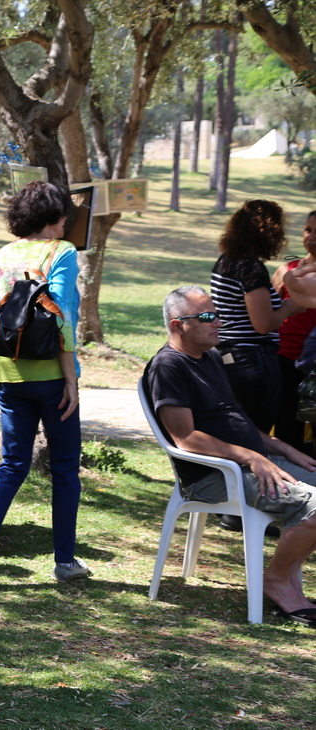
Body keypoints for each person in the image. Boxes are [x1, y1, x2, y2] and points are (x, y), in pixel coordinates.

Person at [144, 285, 316, 626]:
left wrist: (282, 447)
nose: (218, 322)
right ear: (178, 325)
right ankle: (276, 580)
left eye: (218, 314)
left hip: (250, 463)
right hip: (215, 476)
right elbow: (185, 438)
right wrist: (250, 458)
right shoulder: (168, 366)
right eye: (207, 317)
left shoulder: (209, 356)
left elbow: (235, 422)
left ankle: (288, 578)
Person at [0, 180, 88, 583]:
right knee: (65, 468)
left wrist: (2, 368)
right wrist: (71, 378)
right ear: (55, 217)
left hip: (8, 374)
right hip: (52, 375)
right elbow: (62, 315)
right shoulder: (63, 251)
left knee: (12, 463)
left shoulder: (3, 254)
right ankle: (65, 562)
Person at [210, 200, 304, 435]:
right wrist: (290, 306)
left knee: (237, 428)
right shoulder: (251, 268)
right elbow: (263, 324)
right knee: (256, 432)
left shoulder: (225, 261)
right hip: (253, 359)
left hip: (229, 355)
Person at [271, 210, 316, 452]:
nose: (312, 236)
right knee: (287, 425)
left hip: (313, 364)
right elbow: (267, 311)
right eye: (308, 230)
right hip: (285, 358)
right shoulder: (287, 270)